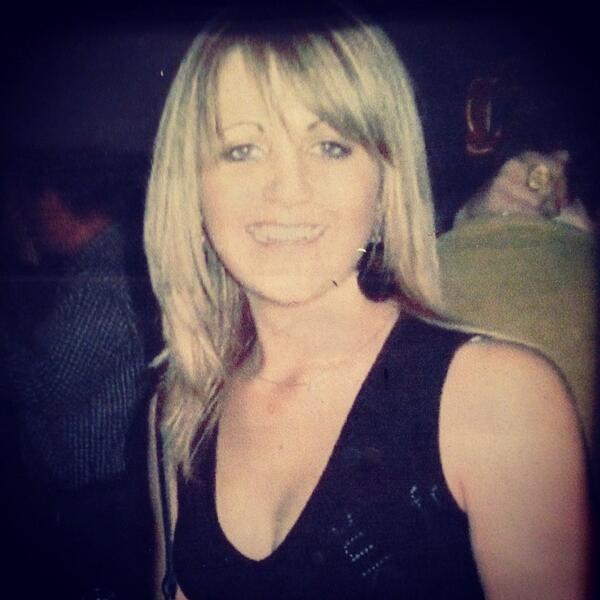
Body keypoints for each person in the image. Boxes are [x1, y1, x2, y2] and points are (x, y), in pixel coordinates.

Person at [145, 5, 591, 599]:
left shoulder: (498, 400)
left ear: (385, 184)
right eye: (243, 149)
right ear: (191, 186)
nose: (287, 189)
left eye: (330, 146)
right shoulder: (180, 407)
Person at [0, 149, 157, 599]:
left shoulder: (100, 276)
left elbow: (43, 386)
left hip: (100, 501)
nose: (21, 223)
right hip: (103, 497)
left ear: (50, 198)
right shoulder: (103, 262)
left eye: (24, 207)